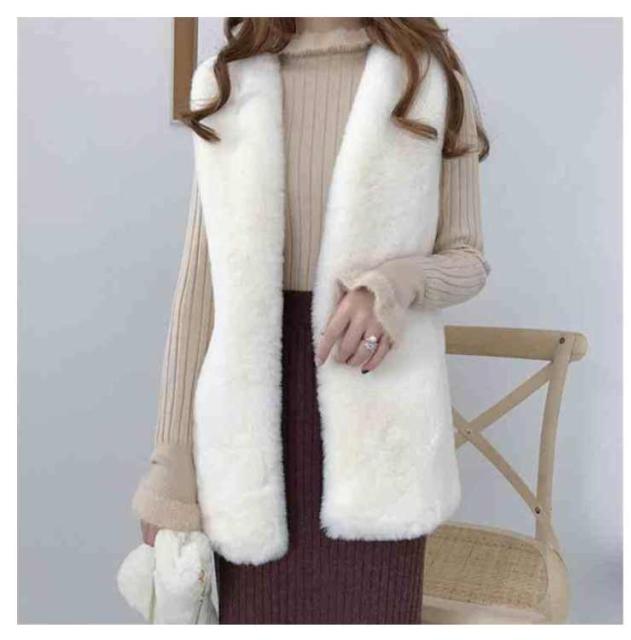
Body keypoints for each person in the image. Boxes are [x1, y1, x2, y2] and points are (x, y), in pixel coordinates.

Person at [131, 17, 491, 624]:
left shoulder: (429, 78)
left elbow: (469, 260)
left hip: (377, 408)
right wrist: (169, 470)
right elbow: (199, 290)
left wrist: (394, 285)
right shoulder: (226, 83)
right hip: (251, 424)